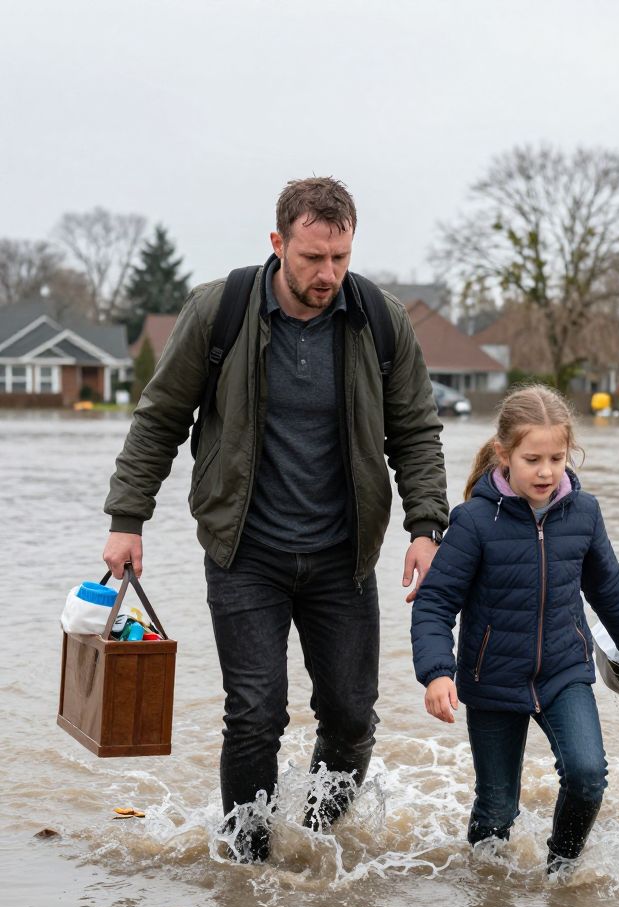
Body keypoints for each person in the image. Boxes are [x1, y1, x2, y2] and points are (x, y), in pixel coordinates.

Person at [102, 177, 448, 861]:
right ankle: (249, 865)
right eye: (312, 257)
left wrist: (426, 525)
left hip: (343, 555)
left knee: (351, 718)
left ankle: (313, 843)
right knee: (255, 715)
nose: (327, 274)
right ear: (278, 244)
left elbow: (415, 431)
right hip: (245, 551)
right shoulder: (220, 310)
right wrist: (127, 517)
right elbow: (160, 418)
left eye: (340, 258)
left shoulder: (379, 320)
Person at [411, 385, 619, 872]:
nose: (546, 471)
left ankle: (561, 872)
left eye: (556, 458)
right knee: (496, 809)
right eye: (532, 459)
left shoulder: (583, 513)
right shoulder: (474, 522)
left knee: (588, 777)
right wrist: (437, 672)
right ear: (503, 455)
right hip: (492, 680)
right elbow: (435, 603)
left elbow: (608, 588)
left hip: (564, 671)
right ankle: (488, 895)